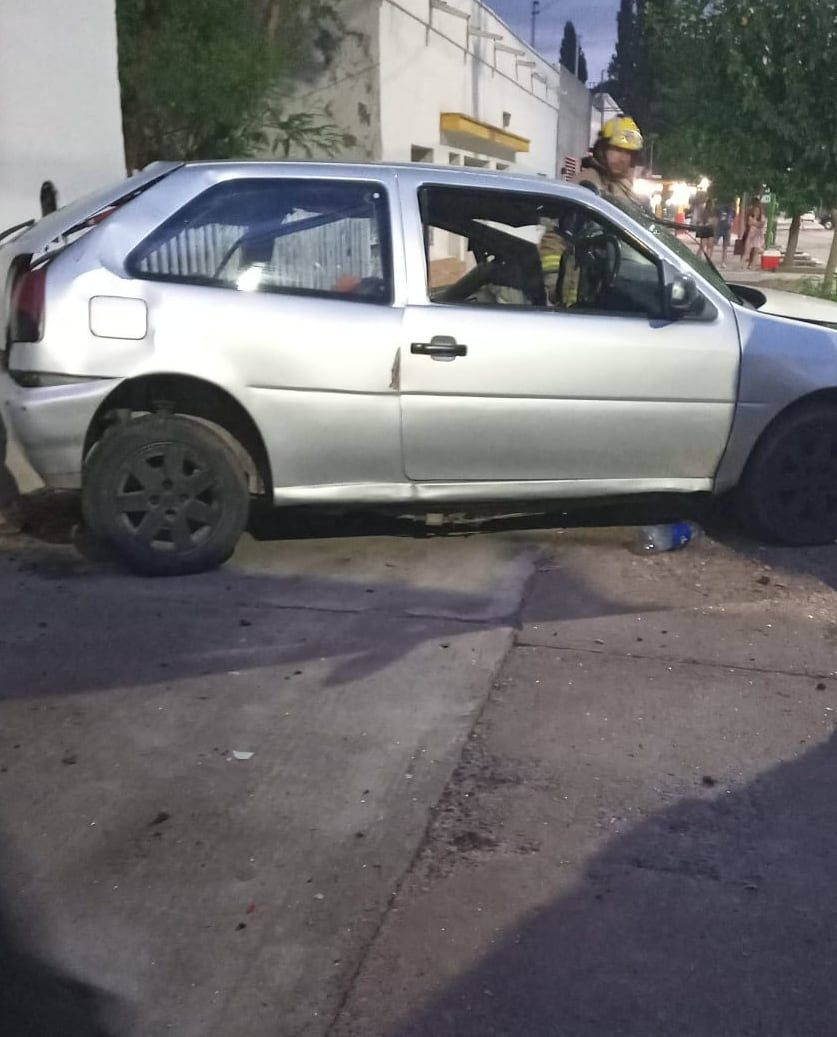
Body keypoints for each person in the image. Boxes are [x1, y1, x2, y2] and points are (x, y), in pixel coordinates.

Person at [576, 115, 644, 202]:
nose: (622, 158)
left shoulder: (622, 185)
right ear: (601, 150)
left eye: (628, 152)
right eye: (617, 149)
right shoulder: (588, 183)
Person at [743, 201, 766, 270]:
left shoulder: (762, 217)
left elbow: (761, 225)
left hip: (758, 235)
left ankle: (752, 265)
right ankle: (745, 264)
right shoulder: (751, 217)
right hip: (752, 235)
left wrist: (755, 223)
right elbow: (751, 223)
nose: (756, 212)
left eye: (757, 211)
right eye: (755, 210)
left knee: (756, 250)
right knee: (748, 250)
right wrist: (755, 220)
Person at [714, 202, 733, 268]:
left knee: (725, 247)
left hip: (727, 229)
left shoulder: (732, 211)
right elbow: (716, 220)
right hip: (720, 228)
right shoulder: (720, 210)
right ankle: (710, 257)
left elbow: (731, 221)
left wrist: (730, 232)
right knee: (714, 243)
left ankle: (723, 262)